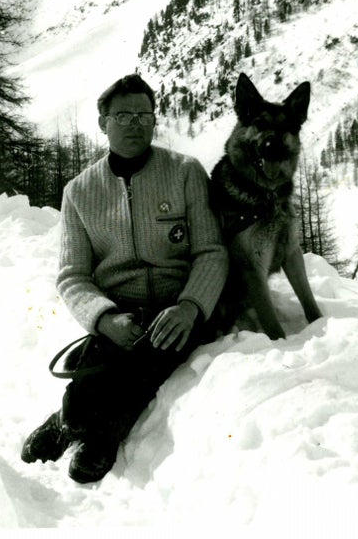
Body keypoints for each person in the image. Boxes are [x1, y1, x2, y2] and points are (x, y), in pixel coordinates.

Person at [21, 74, 228, 483]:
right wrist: (104, 318)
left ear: (154, 121)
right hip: (120, 310)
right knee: (95, 367)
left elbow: (211, 251)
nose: (135, 124)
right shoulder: (80, 191)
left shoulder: (185, 172)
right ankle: (67, 421)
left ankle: (102, 436)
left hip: (175, 306)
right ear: (103, 123)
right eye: (123, 115)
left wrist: (189, 306)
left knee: (148, 365)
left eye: (143, 115)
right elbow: (72, 275)